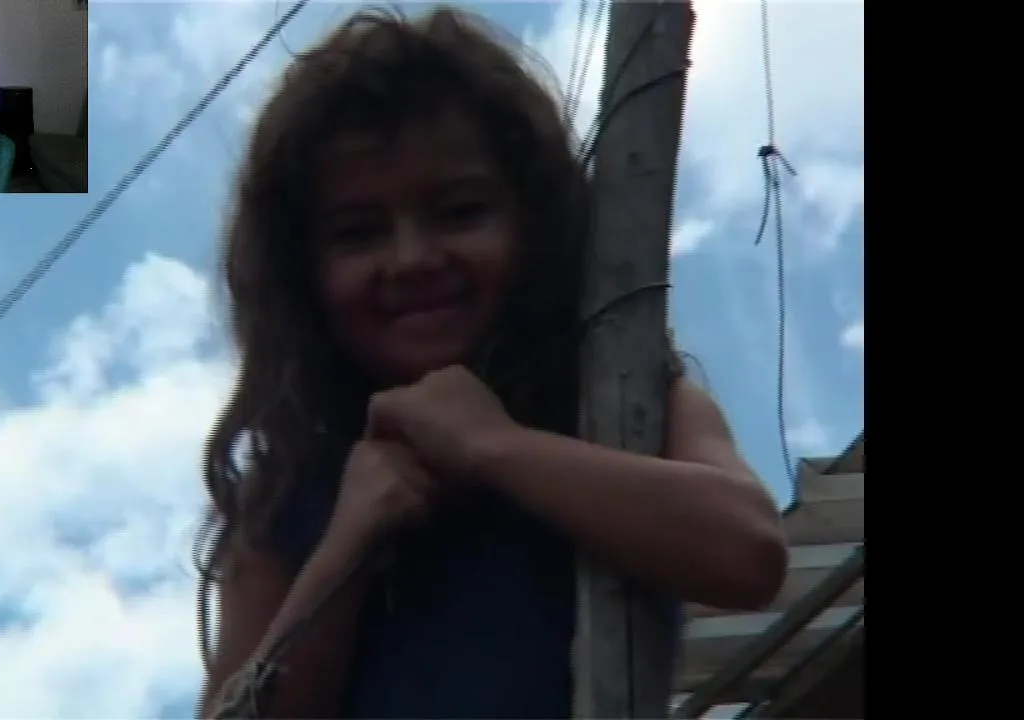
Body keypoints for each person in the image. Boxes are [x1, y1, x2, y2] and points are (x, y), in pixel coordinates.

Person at [196, 7, 788, 719]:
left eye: (460, 212)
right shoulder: (289, 489)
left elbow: (749, 551)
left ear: (534, 226)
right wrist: (348, 545)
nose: (412, 259)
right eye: (359, 234)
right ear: (304, 276)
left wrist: (495, 447)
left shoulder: (623, 402)